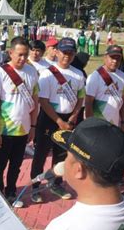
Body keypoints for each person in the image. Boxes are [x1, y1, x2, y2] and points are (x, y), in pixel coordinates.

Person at [30, 38, 84, 203]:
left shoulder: (78, 74)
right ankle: (36, 187)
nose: (67, 56)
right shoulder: (47, 74)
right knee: (40, 154)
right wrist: (59, 121)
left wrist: (74, 116)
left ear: (74, 54)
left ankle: (56, 183)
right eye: (64, 52)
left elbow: (80, 98)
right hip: (49, 119)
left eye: (70, 53)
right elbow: (43, 101)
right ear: (57, 52)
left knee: (61, 155)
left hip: (69, 119)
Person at [0, 37, 39, 208]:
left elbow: (35, 101)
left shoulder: (32, 72)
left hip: (23, 130)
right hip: (4, 130)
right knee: (0, 165)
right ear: (10, 53)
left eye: (26, 55)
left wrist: (33, 126)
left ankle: (11, 193)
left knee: (16, 165)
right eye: (19, 55)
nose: (23, 58)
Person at [85, 45, 124, 131]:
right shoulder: (94, 77)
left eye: (118, 58)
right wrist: (90, 124)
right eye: (112, 57)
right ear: (105, 57)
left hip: (114, 124)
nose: (115, 61)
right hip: (97, 124)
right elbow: (88, 103)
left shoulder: (123, 77)